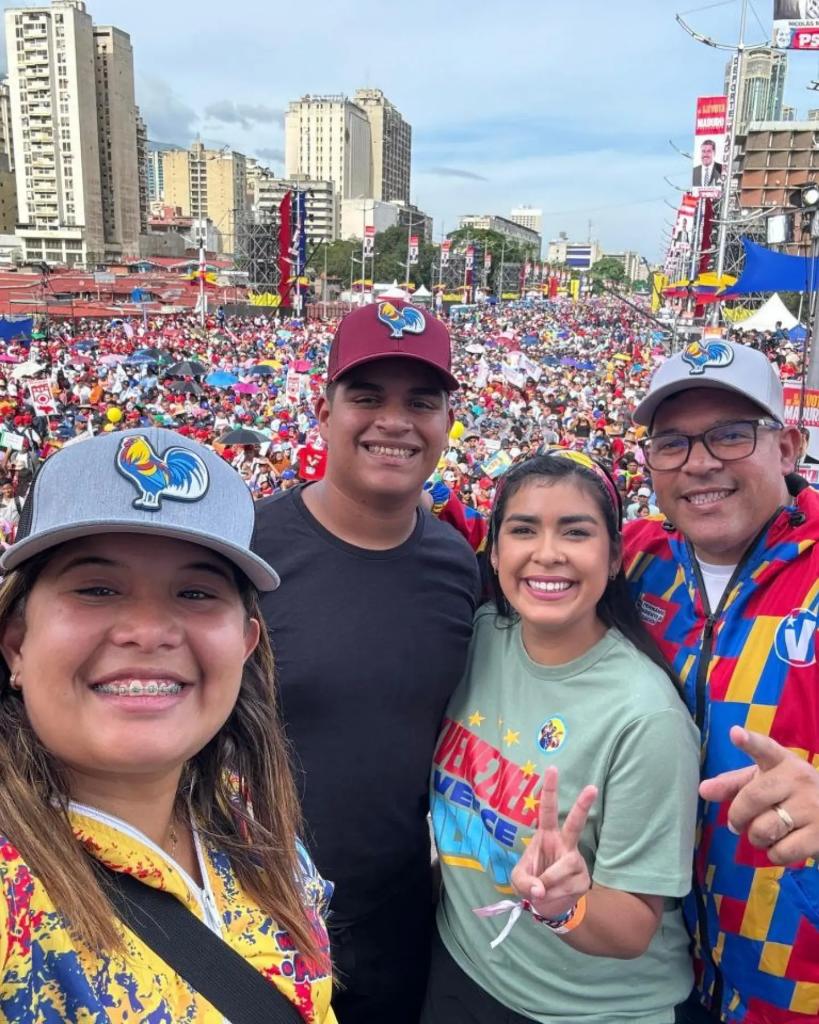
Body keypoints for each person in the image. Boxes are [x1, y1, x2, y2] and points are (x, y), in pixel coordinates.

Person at [0, 427, 336, 1023]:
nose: (149, 630)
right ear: (17, 644)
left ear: (246, 642)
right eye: (97, 588)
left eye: (195, 592)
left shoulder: (253, 820)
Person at [253, 301, 480, 1024]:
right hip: (254, 917)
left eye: (420, 401)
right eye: (366, 397)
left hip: (397, 925)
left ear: (447, 421)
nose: (394, 421)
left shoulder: (459, 563)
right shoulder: (244, 550)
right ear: (324, 412)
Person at [424, 450, 700, 1024]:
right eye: (524, 530)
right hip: (461, 969)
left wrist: (563, 907)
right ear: (495, 551)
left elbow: (631, 927)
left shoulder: (646, 717)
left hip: (582, 1010)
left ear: (615, 555)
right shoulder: (479, 636)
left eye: (575, 532)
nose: (547, 553)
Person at [626, 341, 819, 1023]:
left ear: (788, 445)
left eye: (731, 434)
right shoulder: (638, 563)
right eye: (672, 442)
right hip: (671, 982)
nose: (700, 461)